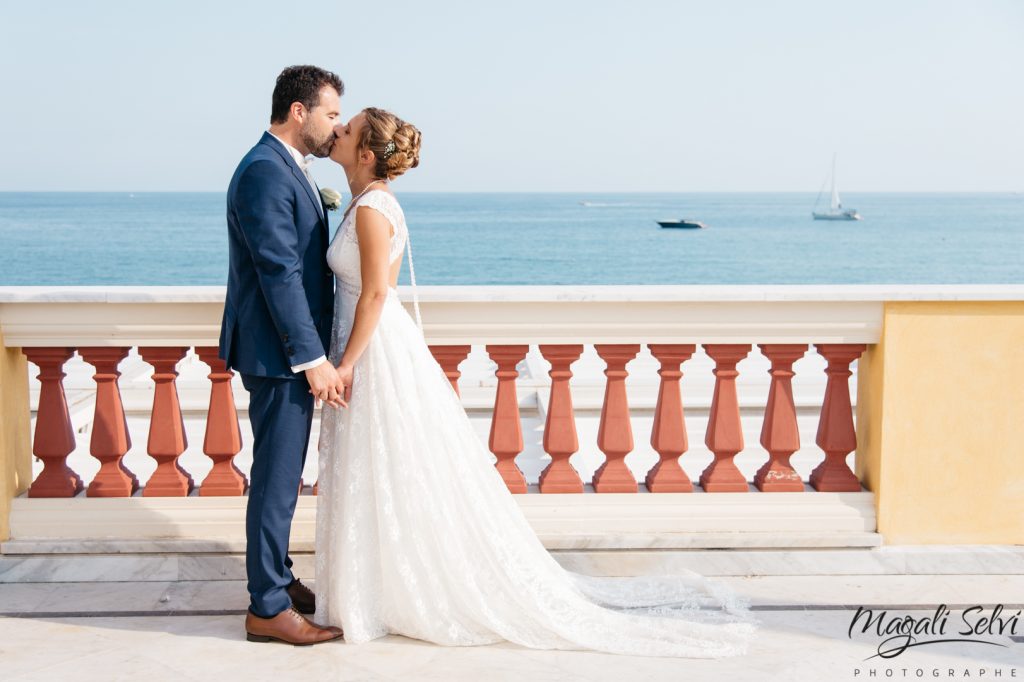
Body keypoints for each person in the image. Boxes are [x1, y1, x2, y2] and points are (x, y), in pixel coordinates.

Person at [313, 107, 757, 657]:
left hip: (374, 351)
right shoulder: (360, 202)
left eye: (347, 129)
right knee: (377, 467)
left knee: (385, 461)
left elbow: (377, 293)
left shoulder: (373, 209)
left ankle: (394, 589)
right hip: (367, 343)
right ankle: (376, 588)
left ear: (365, 153)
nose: (336, 130)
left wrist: (348, 363)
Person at [219, 65, 346, 646]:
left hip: (282, 351)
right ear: (300, 112)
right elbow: (279, 272)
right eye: (331, 114)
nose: (335, 126)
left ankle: (278, 578)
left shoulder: (283, 167)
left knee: (284, 475)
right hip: (278, 356)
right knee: (276, 479)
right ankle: (267, 606)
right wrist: (311, 358)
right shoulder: (266, 172)